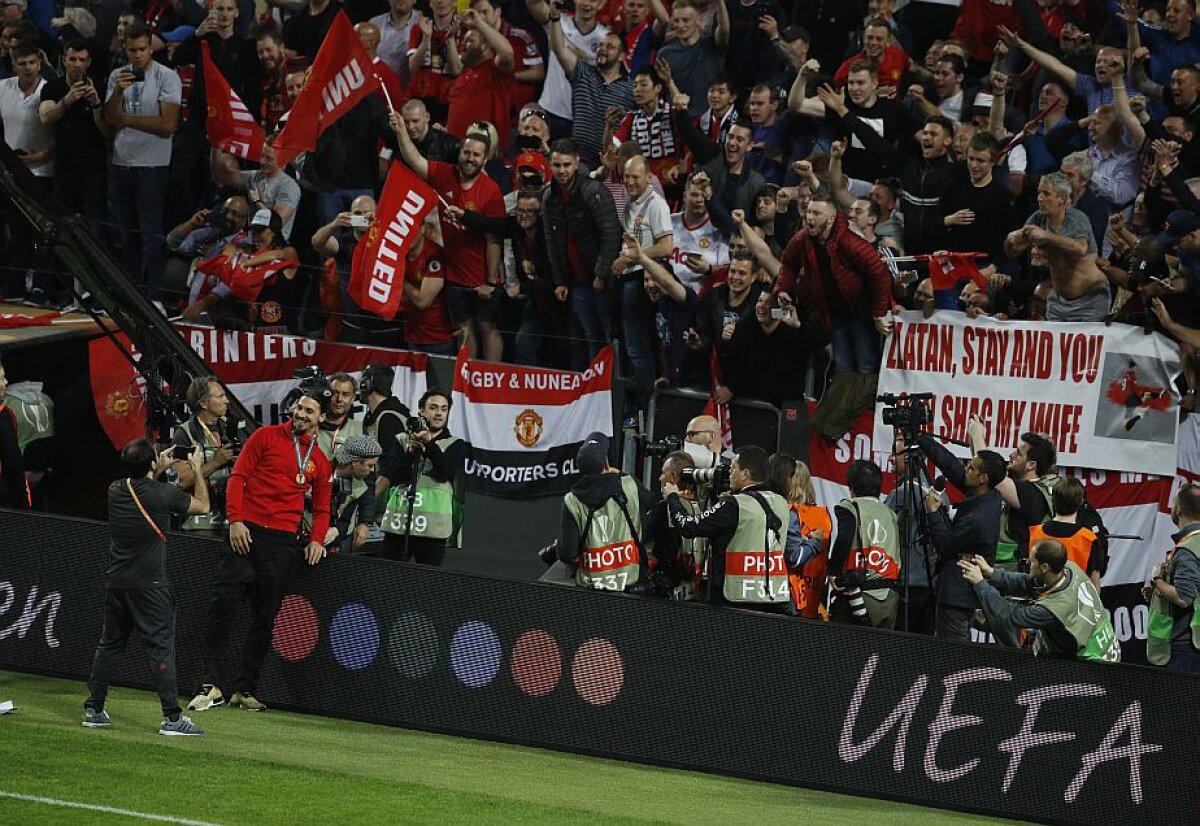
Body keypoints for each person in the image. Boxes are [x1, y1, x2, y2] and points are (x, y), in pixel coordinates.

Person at [187, 384, 333, 713]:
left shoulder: (320, 462)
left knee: (265, 618)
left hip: (281, 543)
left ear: (320, 418)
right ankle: (211, 685)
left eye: (309, 411)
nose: (300, 414)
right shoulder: (265, 436)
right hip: (246, 532)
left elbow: (323, 509)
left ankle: (243, 689)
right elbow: (237, 477)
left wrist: (316, 539)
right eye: (298, 408)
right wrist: (236, 520)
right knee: (222, 607)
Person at [84, 438, 209, 735]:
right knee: (160, 650)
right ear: (153, 464)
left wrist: (154, 468)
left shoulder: (115, 489)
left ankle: (94, 708)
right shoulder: (162, 493)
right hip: (150, 587)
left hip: (117, 582)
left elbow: (140, 487)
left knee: (109, 645)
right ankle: (172, 718)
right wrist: (198, 469)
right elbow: (203, 504)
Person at [389, 110, 505, 360]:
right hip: (454, 275)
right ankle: (466, 376)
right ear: (459, 153)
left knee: (488, 327)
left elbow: (494, 239)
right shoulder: (444, 174)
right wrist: (401, 133)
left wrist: (490, 281)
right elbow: (415, 160)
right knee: (463, 328)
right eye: (466, 153)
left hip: (481, 277)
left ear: (485, 160)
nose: (470, 159)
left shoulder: (491, 191)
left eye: (476, 155)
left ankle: (491, 375)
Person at [771, 192, 893, 375]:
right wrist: (783, 289)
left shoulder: (850, 241)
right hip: (832, 312)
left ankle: (863, 403)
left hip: (860, 311)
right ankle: (846, 403)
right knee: (842, 365)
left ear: (830, 219)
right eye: (809, 212)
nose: (809, 217)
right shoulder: (803, 239)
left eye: (816, 214)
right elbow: (788, 263)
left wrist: (878, 313)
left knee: (866, 365)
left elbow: (879, 274)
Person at [103, 23, 181, 305]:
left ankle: (156, 296)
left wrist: (127, 120)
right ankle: (132, 295)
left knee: (151, 233)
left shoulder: (167, 77)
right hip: (121, 163)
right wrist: (117, 94)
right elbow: (110, 119)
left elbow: (168, 124)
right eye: (131, 50)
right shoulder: (116, 76)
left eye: (141, 49)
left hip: (152, 166)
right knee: (125, 234)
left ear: (150, 48)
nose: (136, 55)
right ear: (125, 49)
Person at [664, 445, 791, 610]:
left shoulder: (734, 505)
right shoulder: (781, 502)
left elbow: (688, 527)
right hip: (774, 597)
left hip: (735, 599)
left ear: (745, 474)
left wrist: (673, 498)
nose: (729, 473)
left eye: (732, 469)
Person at [960, 540, 1120, 662]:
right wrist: (991, 572)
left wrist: (980, 583)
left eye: (1032, 560)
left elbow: (1009, 614)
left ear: (1044, 567)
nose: (1028, 563)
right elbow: (1030, 582)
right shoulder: (1068, 568)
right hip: (1103, 641)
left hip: (1094, 661)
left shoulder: (1051, 610)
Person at [541, 137, 623, 370]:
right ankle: (590, 391)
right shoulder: (549, 197)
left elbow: (611, 234)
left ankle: (612, 389)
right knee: (587, 338)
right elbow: (551, 241)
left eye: (566, 165)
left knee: (609, 337)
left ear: (577, 163)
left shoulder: (593, 191)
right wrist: (559, 281)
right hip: (576, 282)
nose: (562, 170)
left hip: (601, 281)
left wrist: (601, 274)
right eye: (557, 165)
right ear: (550, 165)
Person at [916, 430, 1005, 641]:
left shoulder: (977, 519)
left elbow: (944, 545)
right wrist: (923, 439)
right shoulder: (989, 495)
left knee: (952, 656)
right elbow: (953, 468)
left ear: (983, 478)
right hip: (961, 593)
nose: (966, 469)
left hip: (957, 598)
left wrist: (933, 512)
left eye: (972, 468)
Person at [377, 388, 468, 566]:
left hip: (432, 530)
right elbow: (391, 475)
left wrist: (429, 444)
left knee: (425, 586)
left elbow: (446, 472)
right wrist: (411, 452)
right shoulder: (402, 439)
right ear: (421, 410)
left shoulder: (455, 444)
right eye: (433, 407)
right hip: (398, 525)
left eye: (443, 409)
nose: (439, 413)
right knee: (386, 579)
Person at [1003, 173, 1109, 322]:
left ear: (1063, 199)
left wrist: (1046, 236)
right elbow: (1012, 252)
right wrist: (1010, 239)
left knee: (1087, 346)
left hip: (1090, 300)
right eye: (1039, 192)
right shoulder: (1038, 218)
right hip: (1058, 301)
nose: (1040, 198)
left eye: (1046, 193)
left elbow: (1081, 249)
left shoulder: (1077, 218)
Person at [556, 431, 654, 590]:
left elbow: (567, 553)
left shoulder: (571, 500)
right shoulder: (629, 485)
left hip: (591, 593)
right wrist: (620, 475)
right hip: (632, 586)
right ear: (606, 464)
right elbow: (652, 504)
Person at [966, 416, 1056, 571]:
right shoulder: (1017, 486)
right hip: (995, 570)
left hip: (1012, 579)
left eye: (1019, 454)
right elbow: (986, 474)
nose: (1012, 455)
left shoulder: (1033, 494)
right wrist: (974, 439)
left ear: (1031, 465)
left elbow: (989, 471)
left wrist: (978, 436)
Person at [823, 459, 901, 628]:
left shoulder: (850, 507)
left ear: (851, 486)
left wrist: (833, 572)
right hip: (889, 597)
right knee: (878, 652)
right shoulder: (891, 513)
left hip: (857, 594)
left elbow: (844, 538)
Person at [1145, 484, 1200, 673]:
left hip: (1185, 646)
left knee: (1177, 702)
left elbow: (1184, 598)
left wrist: (1157, 580)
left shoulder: (1187, 550)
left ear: (1179, 509)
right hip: (1194, 641)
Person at [170, 376, 236, 532]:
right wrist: (216, 463)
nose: (226, 401)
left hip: (232, 520)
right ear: (204, 403)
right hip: (200, 525)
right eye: (220, 396)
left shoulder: (230, 426)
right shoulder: (184, 434)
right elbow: (184, 481)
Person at [1028, 476, 1106, 589]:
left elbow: (1031, 572)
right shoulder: (1088, 539)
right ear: (1081, 502)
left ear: (1053, 499)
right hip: (1076, 602)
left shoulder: (1035, 532)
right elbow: (1095, 583)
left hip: (1041, 599)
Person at [325, 435, 382, 555]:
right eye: (369, 465)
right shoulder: (321, 472)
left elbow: (345, 518)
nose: (372, 471)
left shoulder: (358, 486)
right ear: (354, 462)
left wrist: (337, 530)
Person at [0, 357, 30, 508]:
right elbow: (14, 466)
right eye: (2, 378)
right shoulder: (3, 416)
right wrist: (24, 507)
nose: (5, 382)